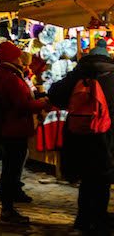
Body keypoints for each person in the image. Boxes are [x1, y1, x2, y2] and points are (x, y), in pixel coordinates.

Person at [48, 37, 114, 234]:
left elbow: (54, 95)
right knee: (102, 179)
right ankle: (99, 220)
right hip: (107, 135)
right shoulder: (112, 76)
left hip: (78, 135)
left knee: (86, 178)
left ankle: (83, 219)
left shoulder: (76, 75)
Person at [0, 41, 49, 224]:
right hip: (13, 129)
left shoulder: (4, 74)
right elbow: (21, 105)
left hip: (9, 128)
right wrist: (42, 103)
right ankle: (7, 208)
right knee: (11, 169)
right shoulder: (10, 78)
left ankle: (11, 198)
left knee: (12, 167)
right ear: (12, 57)